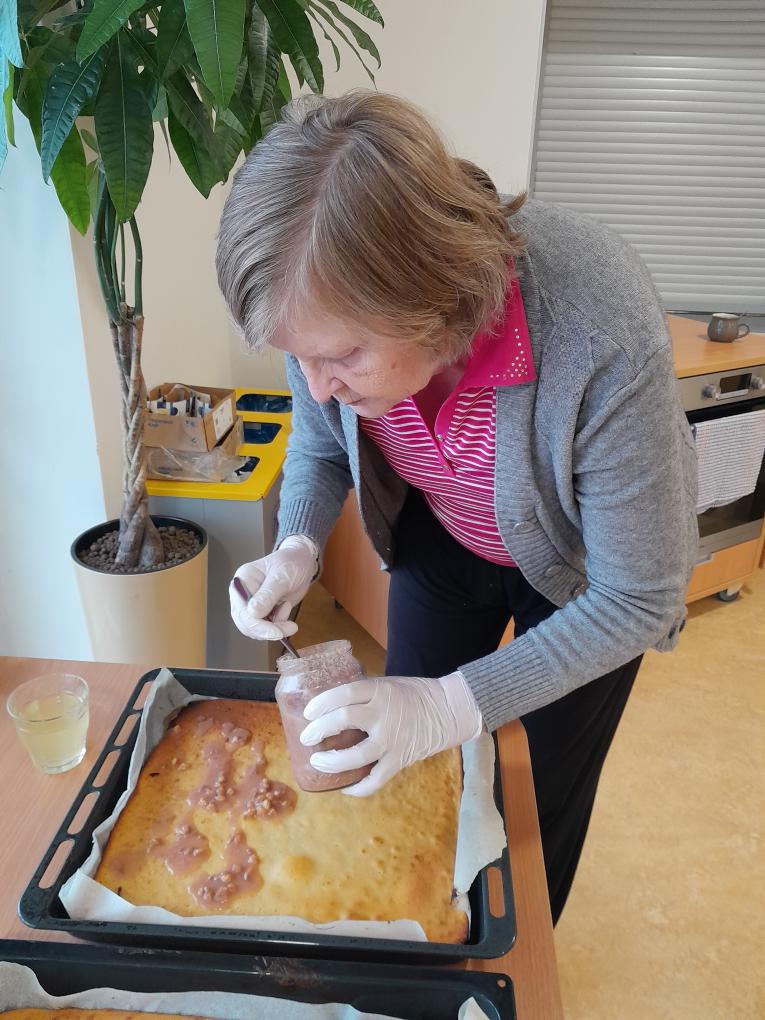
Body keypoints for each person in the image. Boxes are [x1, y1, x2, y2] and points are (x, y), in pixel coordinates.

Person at [216, 91, 698, 923]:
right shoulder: (319, 316)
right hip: (439, 538)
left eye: (342, 357)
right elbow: (320, 445)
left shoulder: (596, 322)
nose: (317, 384)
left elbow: (638, 596)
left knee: (531, 793)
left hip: (581, 581)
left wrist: (452, 705)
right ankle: (427, 927)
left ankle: (510, 955)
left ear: (428, 298)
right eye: (299, 359)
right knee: (410, 761)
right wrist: (296, 544)